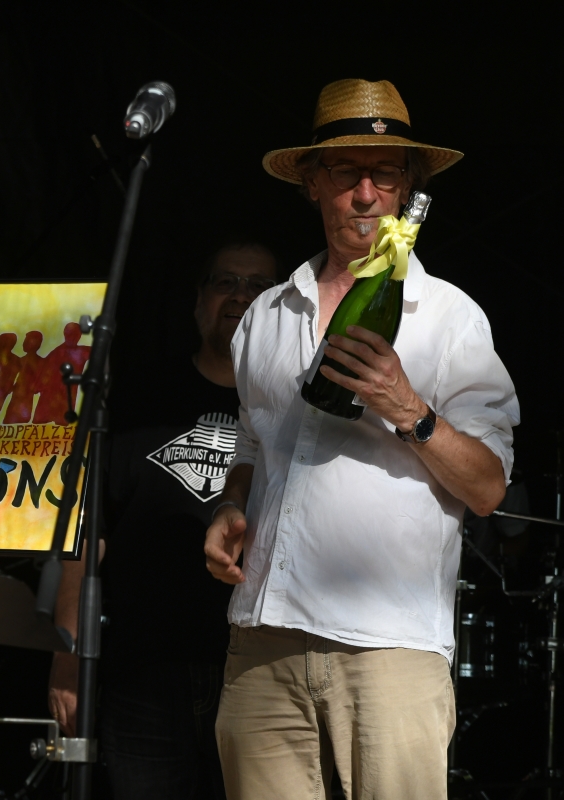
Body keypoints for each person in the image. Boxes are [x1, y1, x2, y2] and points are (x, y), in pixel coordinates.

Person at [203, 79, 519, 799]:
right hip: (262, 642)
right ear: (313, 183)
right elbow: (252, 444)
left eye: (387, 174)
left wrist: (408, 407)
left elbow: (489, 488)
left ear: (408, 189)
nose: (367, 194)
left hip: (390, 649)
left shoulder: (450, 318)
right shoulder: (266, 316)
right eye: (347, 171)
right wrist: (232, 505)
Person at [48, 241, 278, 799]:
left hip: (259, 673)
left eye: (257, 286)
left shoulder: (292, 410)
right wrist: (67, 654)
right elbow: (88, 534)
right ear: (199, 301)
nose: (239, 295)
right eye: (225, 282)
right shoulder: (138, 399)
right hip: (143, 670)